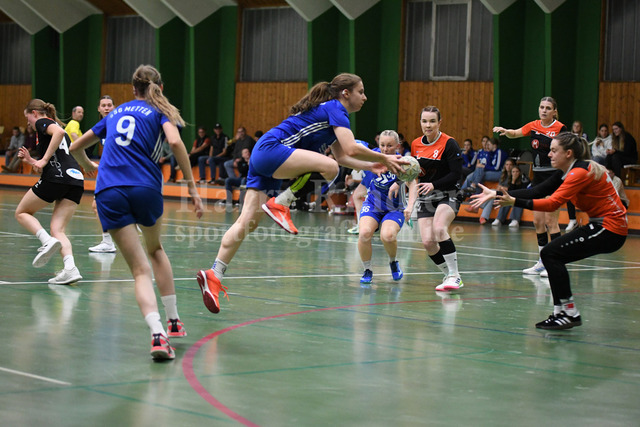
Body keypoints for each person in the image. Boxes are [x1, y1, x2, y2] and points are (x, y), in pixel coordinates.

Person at [196, 73, 406, 314]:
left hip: (264, 155)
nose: (365, 97)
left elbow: (342, 155)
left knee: (247, 224)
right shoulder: (336, 108)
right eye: (361, 92)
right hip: (272, 149)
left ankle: (215, 273)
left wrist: (372, 166)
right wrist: (384, 158)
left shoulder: (330, 116)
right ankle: (282, 203)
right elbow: (350, 149)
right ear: (346, 93)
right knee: (330, 168)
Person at [69, 65, 204, 361]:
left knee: (139, 271)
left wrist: (90, 166)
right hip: (144, 187)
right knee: (155, 250)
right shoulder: (161, 111)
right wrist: (192, 189)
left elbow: (76, 147)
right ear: (160, 88)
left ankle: (157, 335)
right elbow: (175, 142)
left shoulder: (114, 113)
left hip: (108, 191)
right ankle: (173, 320)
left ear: (133, 89)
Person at [470, 132, 628, 330]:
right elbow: (537, 191)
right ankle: (561, 313)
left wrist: (514, 201)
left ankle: (569, 313)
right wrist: (495, 193)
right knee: (551, 255)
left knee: (550, 253)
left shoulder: (579, 172)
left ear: (568, 153)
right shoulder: (568, 170)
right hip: (601, 225)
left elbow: (552, 203)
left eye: (554, 151)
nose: (549, 155)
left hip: (610, 228)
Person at [493, 96, 567, 277]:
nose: (544, 110)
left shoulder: (560, 129)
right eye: (542, 107)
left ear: (554, 111)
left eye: (548, 108)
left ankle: (555, 262)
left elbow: (568, 151)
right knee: (538, 221)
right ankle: (543, 261)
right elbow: (516, 133)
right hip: (538, 177)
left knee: (551, 221)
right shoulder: (534, 125)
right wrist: (506, 131)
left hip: (554, 177)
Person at [15, 99, 85, 285]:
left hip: (57, 177)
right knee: (58, 230)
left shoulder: (43, 122)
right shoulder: (52, 130)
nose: (29, 123)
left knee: (22, 212)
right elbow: (57, 157)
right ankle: (70, 268)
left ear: (34, 113)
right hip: (75, 179)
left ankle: (46, 241)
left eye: (28, 118)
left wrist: (44, 159)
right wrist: (32, 161)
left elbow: (59, 134)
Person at [403, 106, 464, 292]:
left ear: (439, 123)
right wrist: (409, 202)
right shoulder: (416, 144)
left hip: (448, 194)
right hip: (426, 197)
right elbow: (414, 175)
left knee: (439, 228)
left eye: (432, 121)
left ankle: (455, 276)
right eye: (424, 121)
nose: (428, 125)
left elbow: (456, 174)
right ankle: (448, 275)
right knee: (428, 242)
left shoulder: (449, 144)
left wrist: (434, 184)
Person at [358, 130, 406, 285]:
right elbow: (354, 149)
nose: (385, 149)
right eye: (382, 145)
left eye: (389, 146)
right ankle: (367, 269)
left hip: (394, 207)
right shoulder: (373, 156)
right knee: (364, 233)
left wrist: (410, 204)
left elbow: (413, 182)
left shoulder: (404, 162)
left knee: (388, 236)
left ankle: (393, 262)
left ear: (397, 145)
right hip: (373, 204)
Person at [88, 96, 117, 253]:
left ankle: (108, 241)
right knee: (97, 206)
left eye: (109, 105)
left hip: (118, 171)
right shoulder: (101, 127)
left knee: (99, 205)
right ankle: (108, 241)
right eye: (103, 105)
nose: (106, 108)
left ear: (114, 107)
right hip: (107, 172)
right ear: (99, 109)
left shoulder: (118, 124)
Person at [479, 158, 515, 225]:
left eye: (510, 165)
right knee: (492, 195)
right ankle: (483, 217)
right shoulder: (503, 175)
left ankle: (480, 207)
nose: (508, 166)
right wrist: (502, 188)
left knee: (492, 193)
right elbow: (499, 187)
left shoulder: (514, 175)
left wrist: (502, 188)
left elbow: (510, 189)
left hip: (507, 195)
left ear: (513, 166)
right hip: (500, 194)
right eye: (507, 164)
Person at [491, 162, 527, 227]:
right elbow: (510, 192)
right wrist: (513, 181)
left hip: (521, 197)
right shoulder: (510, 179)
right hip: (512, 196)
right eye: (513, 172)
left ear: (519, 172)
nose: (515, 173)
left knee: (518, 201)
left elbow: (523, 191)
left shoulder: (524, 179)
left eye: (517, 172)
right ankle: (499, 219)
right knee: (506, 200)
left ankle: (515, 220)